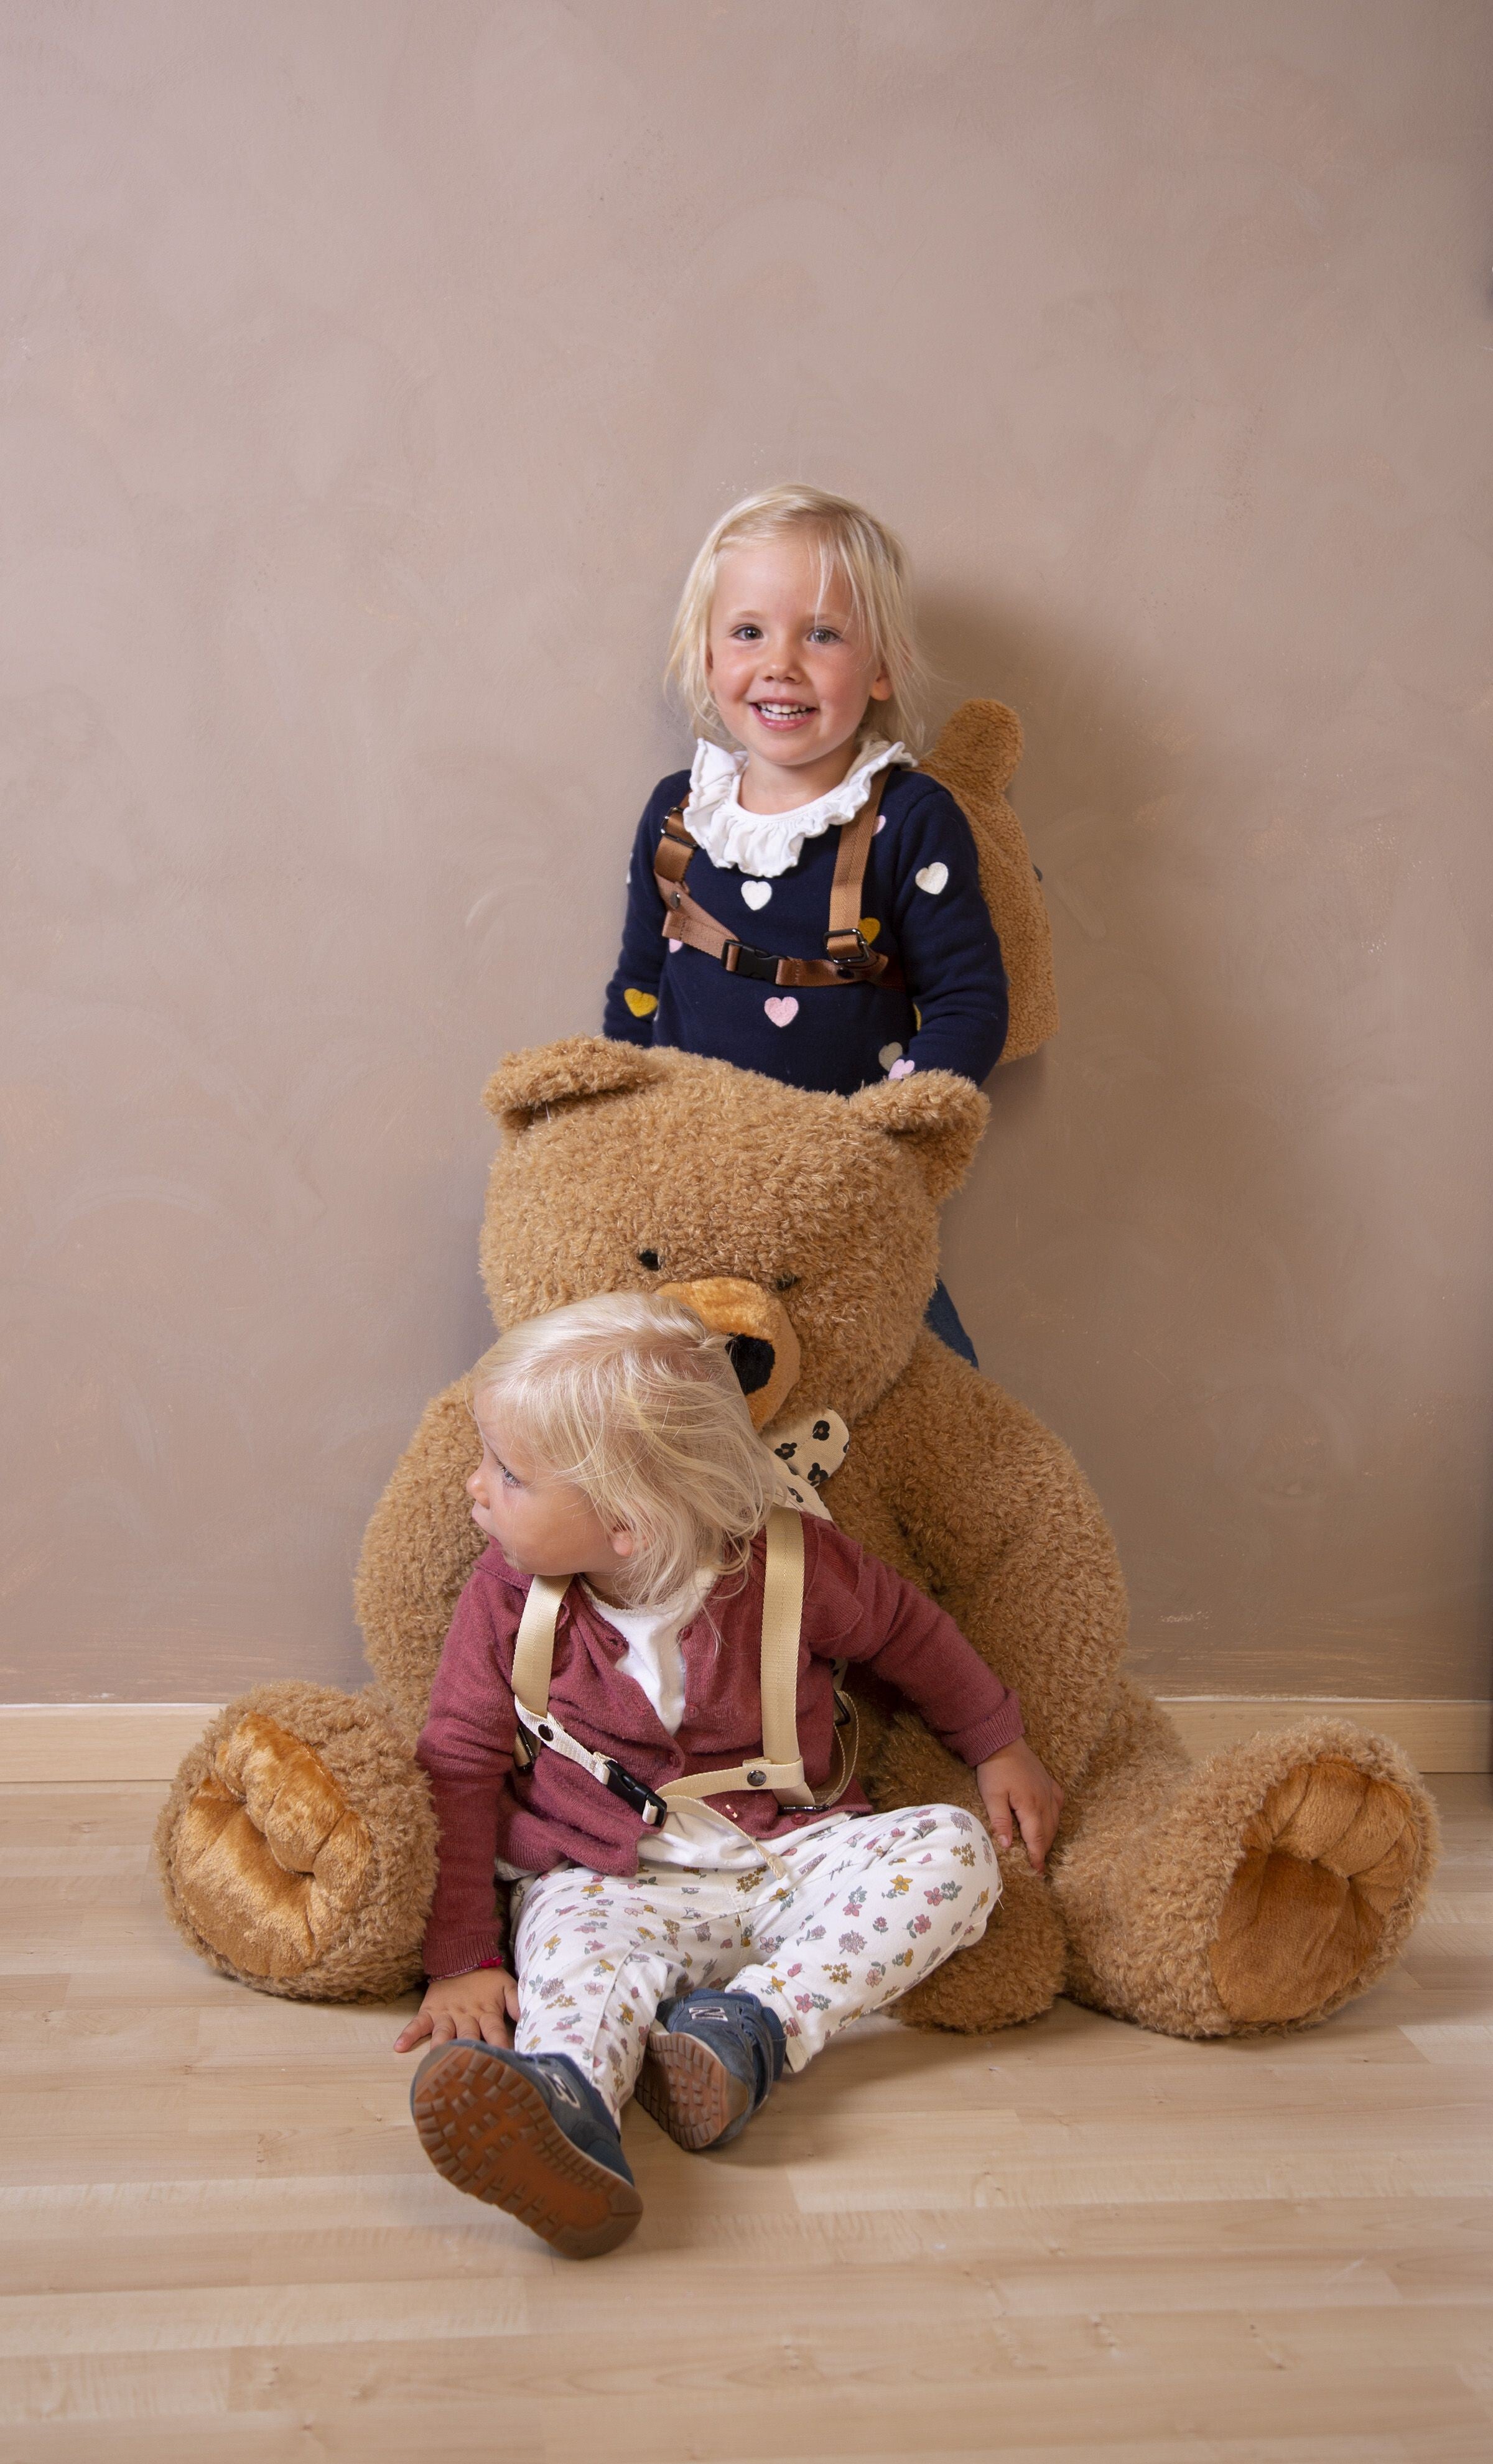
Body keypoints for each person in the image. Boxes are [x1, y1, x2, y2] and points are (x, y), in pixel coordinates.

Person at [396, 1292, 1063, 2259]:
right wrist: (462, 1955)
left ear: (625, 1523)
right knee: (572, 1951)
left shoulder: (793, 1567)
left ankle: (747, 2027)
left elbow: (910, 1633)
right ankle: (570, 2104)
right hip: (611, 1881)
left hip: (792, 1860)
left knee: (955, 1853)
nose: (476, 1486)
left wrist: (997, 1740)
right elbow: (457, 1764)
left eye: (508, 1473)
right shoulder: (507, 1600)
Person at [602, 483, 1009, 1366]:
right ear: (707, 657)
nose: (781, 664)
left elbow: (970, 1004)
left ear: (881, 668)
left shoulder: (910, 818)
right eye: (749, 632)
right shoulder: (677, 816)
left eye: (821, 635)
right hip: (688, 1191)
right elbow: (638, 989)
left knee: (918, 1385)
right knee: (662, 1399)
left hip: (847, 1199)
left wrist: (880, 1148)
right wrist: (622, 1137)